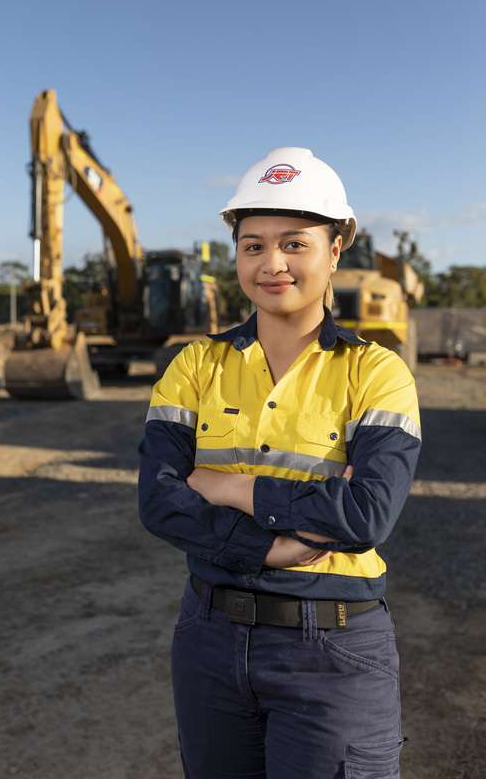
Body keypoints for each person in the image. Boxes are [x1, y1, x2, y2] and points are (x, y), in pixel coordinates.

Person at [137, 147, 421, 779]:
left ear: (336, 249)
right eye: (253, 246)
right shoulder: (194, 366)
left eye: (295, 244)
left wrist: (231, 487)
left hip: (334, 649)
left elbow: (366, 515)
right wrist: (272, 547)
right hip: (209, 640)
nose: (272, 264)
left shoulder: (377, 373)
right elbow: (158, 500)